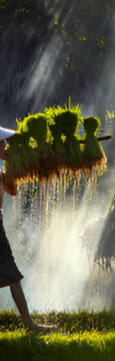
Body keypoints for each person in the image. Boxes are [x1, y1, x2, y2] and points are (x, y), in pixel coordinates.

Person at [0, 126, 49, 332]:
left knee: (13, 276)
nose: (5, 146)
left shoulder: (1, 171)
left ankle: (29, 324)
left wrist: (15, 165)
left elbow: (11, 191)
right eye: (2, 143)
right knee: (13, 276)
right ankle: (29, 325)